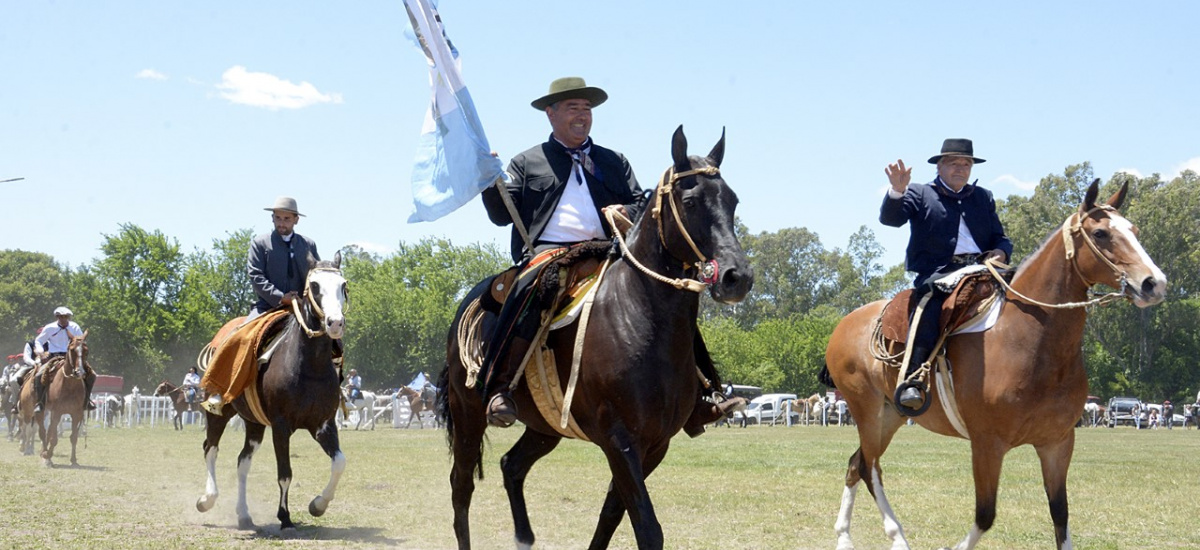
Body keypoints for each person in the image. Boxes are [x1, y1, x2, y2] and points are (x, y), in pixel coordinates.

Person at [477, 77, 740, 434]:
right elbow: (500, 214)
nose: (582, 115)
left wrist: (626, 211)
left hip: (610, 251)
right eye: (573, 108)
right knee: (526, 290)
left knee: (674, 298)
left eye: (586, 109)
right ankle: (500, 387)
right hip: (549, 254)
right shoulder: (528, 162)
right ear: (551, 114)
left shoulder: (613, 161)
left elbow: (639, 202)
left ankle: (701, 395)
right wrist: (488, 180)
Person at [880, 138, 1013, 414]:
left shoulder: (983, 197)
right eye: (953, 163)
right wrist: (896, 191)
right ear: (939, 166)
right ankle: (914, 380)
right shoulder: (919, 194)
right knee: (930, 304)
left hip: (984, 269)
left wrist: (1000, 252)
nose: (961, 168)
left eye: (966, 163)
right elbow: (891, 220)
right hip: (940, 273)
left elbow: (1000, 238)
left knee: (1028, 294)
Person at [202, 197, 324, 414]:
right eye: (277, 218)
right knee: (239, 337)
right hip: (266, 306)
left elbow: (315, 276)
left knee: (330, 338)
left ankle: (336, 391)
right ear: (272, 218)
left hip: (300, 309)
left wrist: (308, 300)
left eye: (286, 218)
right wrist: (280, 297)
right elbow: (256, 276)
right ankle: (218, 391)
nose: (281, 222)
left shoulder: (308, 244)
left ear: (296, 220)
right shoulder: (260, 243)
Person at [32, 306, 96, 412]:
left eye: (66, 317)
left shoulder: (75, 327)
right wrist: (41, 352)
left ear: (69, 317)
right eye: (61, 317)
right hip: (54, 357)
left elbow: (81, 341)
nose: (63, 319)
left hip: (72, 357)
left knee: (92, 375)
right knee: (39, 375)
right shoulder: (49, 328)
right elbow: (38, 341)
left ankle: (87, 400)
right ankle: (40, 402)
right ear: (57, 317)